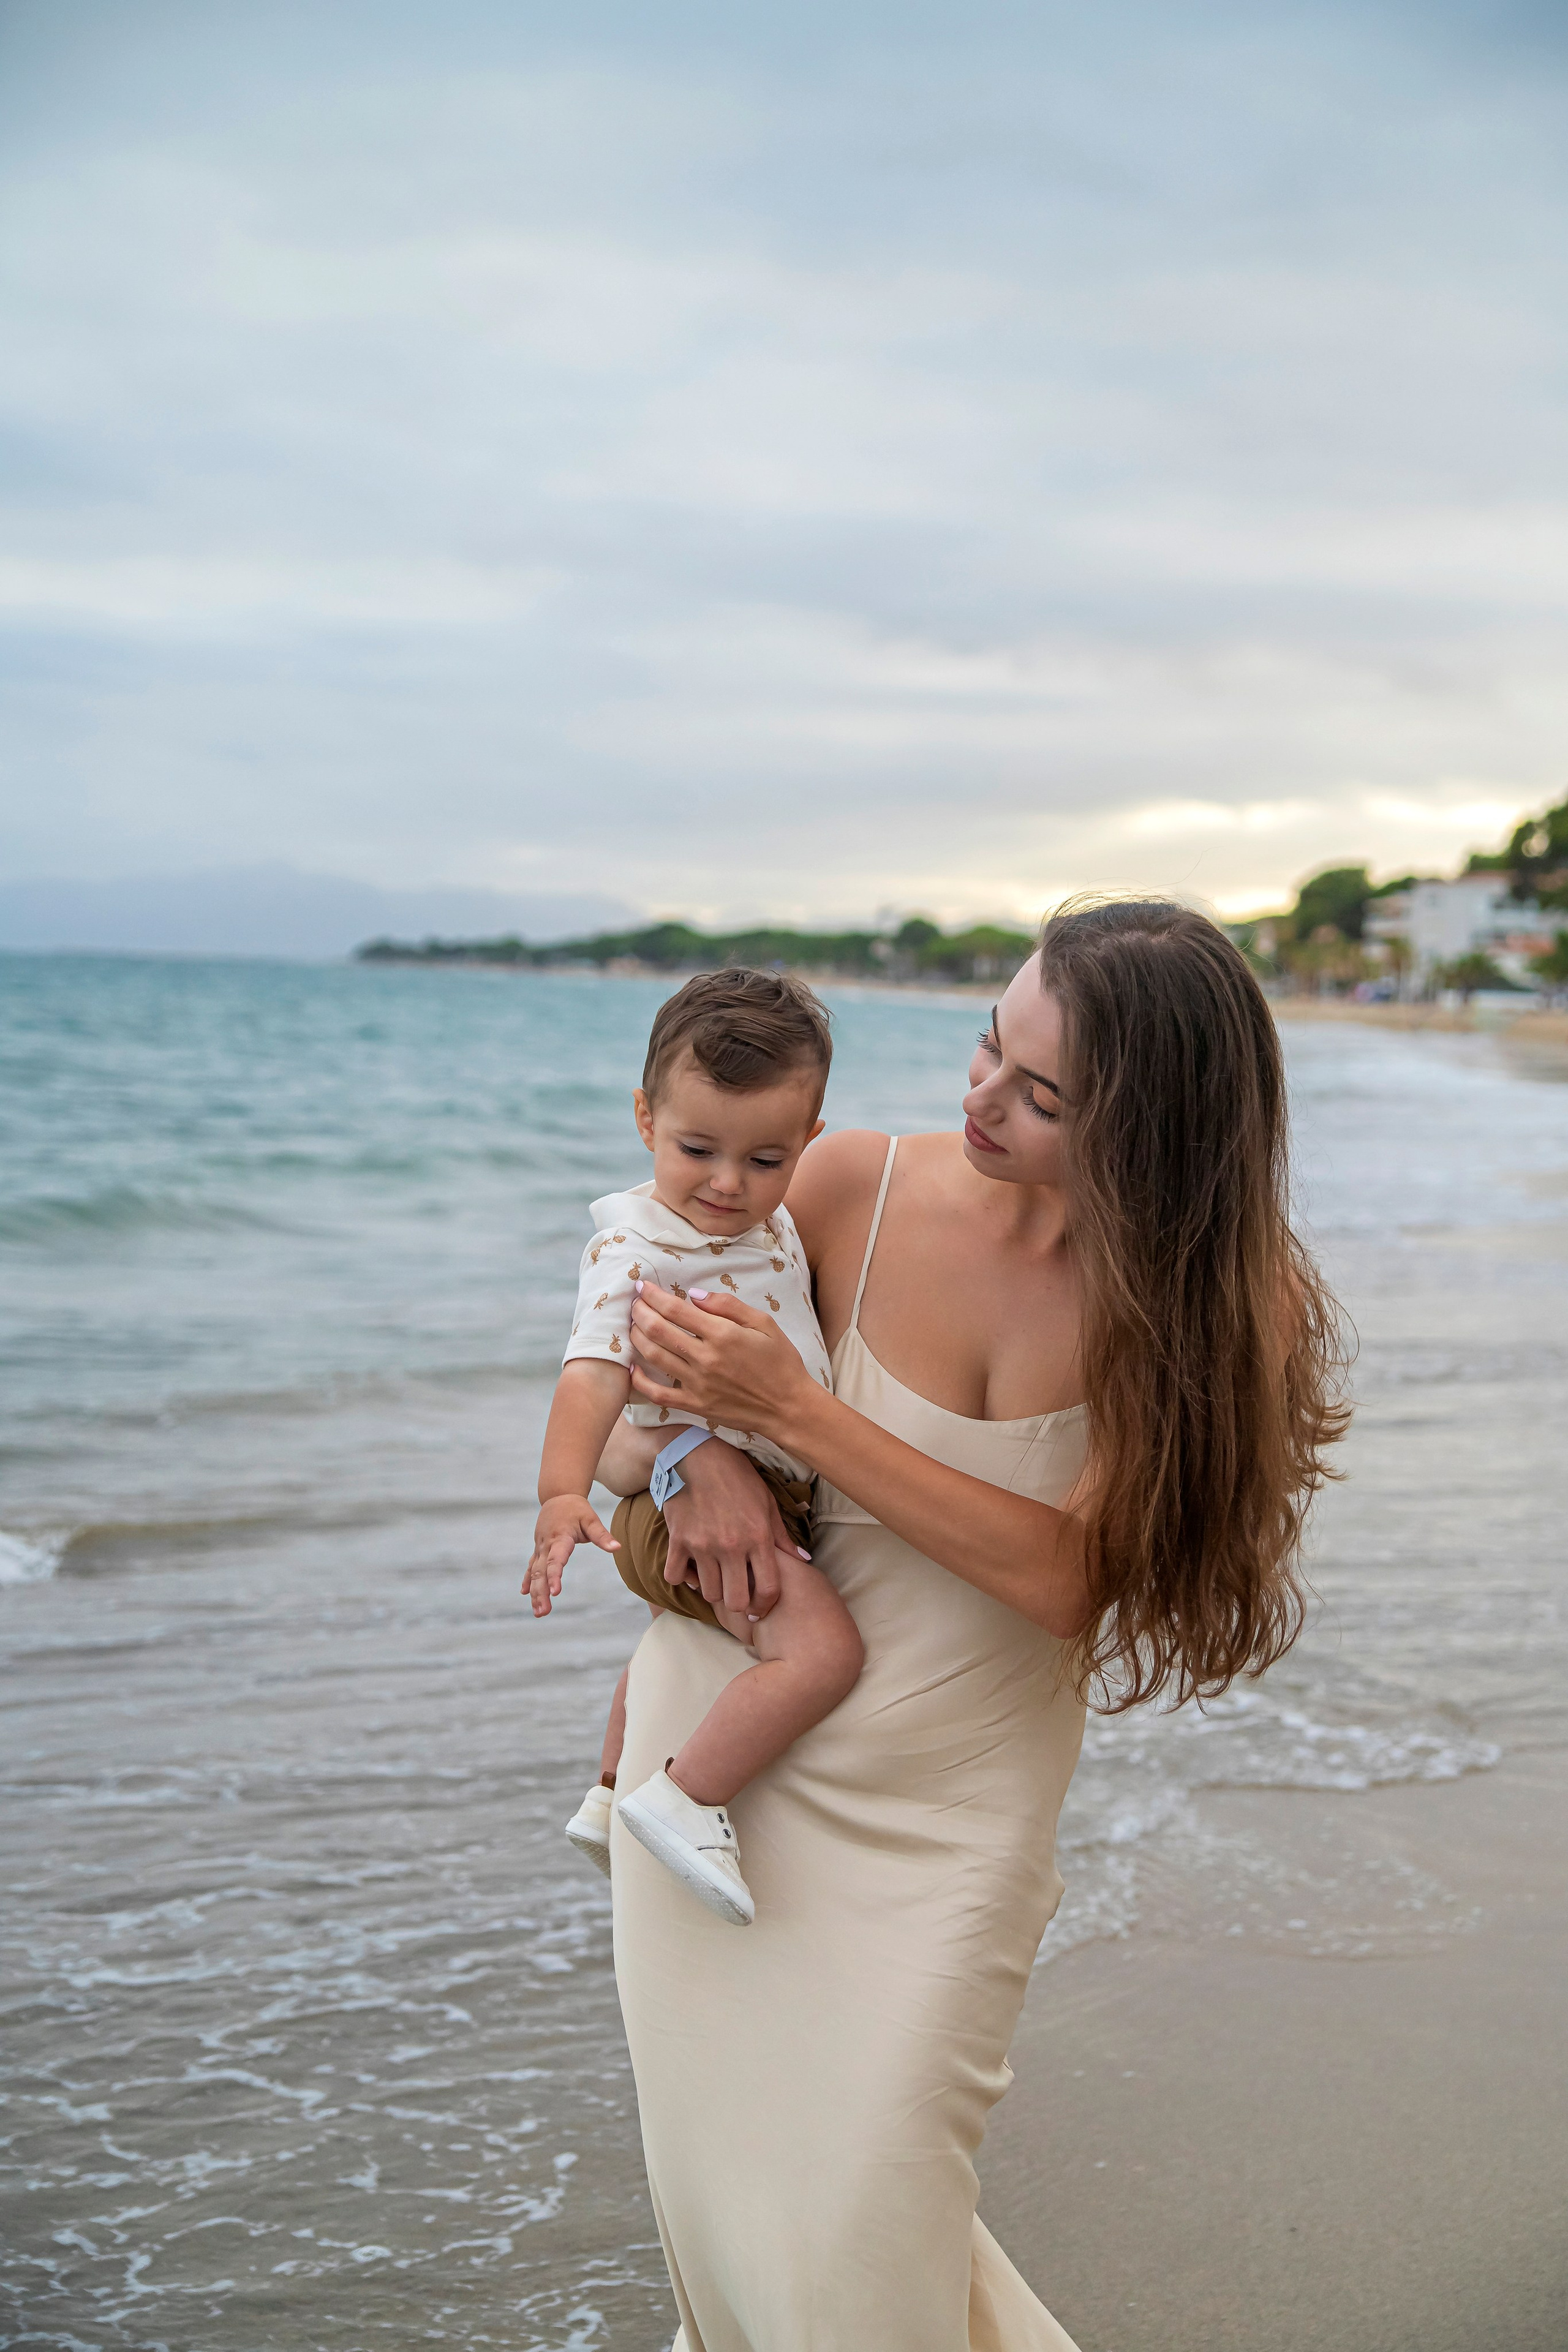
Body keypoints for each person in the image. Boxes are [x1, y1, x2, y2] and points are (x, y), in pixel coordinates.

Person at [595, 899, 1349, 2351]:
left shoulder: (1218, 1303)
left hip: (954, 1812)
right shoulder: (843, 1188)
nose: (981, 1098)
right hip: (725, 1773)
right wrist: (697, 1464)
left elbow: (1069, 1581)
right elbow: (628, 1395)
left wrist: (797, 1415)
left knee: (864, 2230)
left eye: (1041, 1093)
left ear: (1151, 1130)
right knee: (744, 2238)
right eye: (986, 1045)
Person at [526, 968, 864, 1927]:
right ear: (645, 1120)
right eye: (697, 1149)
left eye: (765, 1158)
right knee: (824, 1655)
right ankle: (686, 1797)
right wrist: (560, 1494)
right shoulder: (633, 1249)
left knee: (672, 1642)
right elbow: (591, 1374)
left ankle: (608, 1792)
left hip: (754, 1486)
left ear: (810, 1141)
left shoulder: (775, 1225)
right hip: (686, 1496)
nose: (726, 1183)